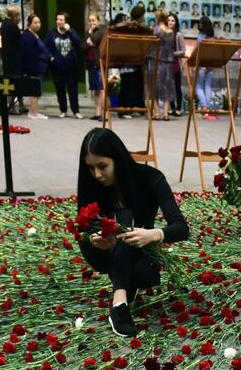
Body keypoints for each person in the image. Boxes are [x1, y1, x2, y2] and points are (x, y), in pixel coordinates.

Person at [76, 127, 189, 338]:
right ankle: (119, 302)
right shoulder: (92, 185)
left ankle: (125, 289)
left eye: (102, 166)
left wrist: (154, 234)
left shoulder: (150, 178)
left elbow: (181, 228)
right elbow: (84, 228)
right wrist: (94, 239)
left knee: (129, 233)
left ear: (117, 159)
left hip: (142, 252)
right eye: (91, 168)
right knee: (119, 224)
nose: (97, 175)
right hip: (103, 254)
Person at [46, 11, 84, 118]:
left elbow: (79, 43)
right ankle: (63, 110)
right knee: (60, 89)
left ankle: (76, 111)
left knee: (73, 89)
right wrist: (51, 57)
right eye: (57, 19)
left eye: (61, 20)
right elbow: (46, 47)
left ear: (66, 22)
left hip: (71, 66)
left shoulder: (71, 32)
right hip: (58, 67)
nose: (58, 22)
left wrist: (70, 30)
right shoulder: (51, 33)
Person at [21, 13, 49, 118]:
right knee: (34, 90)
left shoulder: (35, 35)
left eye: (39, 22)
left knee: (37, 89)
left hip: (40, 67)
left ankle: (34, 111)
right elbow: (28, 53)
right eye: (35, 23)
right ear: (29, 24)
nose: (38, 25)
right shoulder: (28, 36)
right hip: (34, 67)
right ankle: (33, 112)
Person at [85, 12, 105, 120]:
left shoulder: (102, 30)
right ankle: (97, 112)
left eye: (94, 20)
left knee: (102, 88)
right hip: (90, 62)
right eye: (90, 21)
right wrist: (90, 41)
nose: (92, 23)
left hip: (99, 62)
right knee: (95, 89)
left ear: (98, 21)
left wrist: (91, 36)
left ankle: (103, 112)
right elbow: (84, 44)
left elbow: (95, 40)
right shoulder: (89, 31)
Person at [193, 15, 214, 110]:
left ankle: (204, 106)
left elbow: (198, 51)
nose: (199, 25)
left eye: (200, 23)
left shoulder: (200, 36)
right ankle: (208, 107)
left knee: (198, 87)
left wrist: (195, 65)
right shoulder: (212, 37)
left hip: (201, 64)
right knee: (208, 86)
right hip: (210, 64)